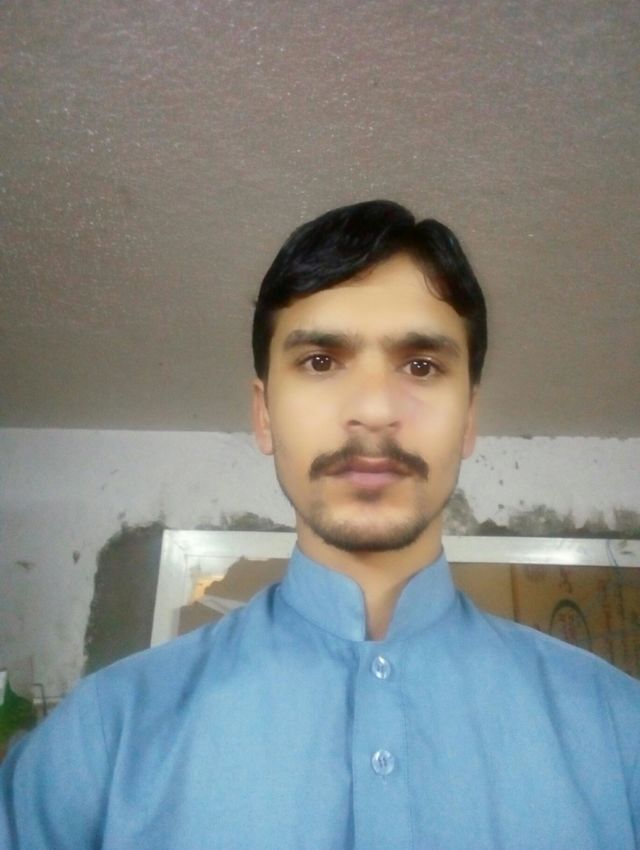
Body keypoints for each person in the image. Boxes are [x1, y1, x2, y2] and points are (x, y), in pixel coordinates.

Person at [1, 200, 639, 849]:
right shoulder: (102, 737)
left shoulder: (621, 732)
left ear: (469, 418)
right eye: (320, 362)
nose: (374, 409)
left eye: (421, 366)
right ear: (264, 416)